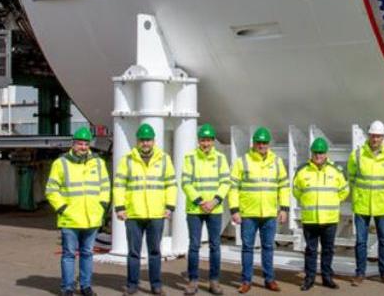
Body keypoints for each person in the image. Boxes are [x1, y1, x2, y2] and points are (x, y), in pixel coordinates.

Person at [46, 126, 111, 296]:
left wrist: (102, 206)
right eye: (80, 143)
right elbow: (51, 189)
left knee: (87, 254)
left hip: (92, 217)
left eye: (86, 144)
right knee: (68, 254)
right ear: (73, 144)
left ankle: (85, 286)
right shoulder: (60, 163)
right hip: (70, 218)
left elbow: (105, 186)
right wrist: (62, 208)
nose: (83, 147)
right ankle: (67, 288)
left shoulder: (98, 163)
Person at [113, 123, 176, 295]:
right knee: (133, 253)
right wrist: (119, 207)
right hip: (133, 214)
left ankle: (156, 285)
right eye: (142, 140)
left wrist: (170, 206)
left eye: (148, 140)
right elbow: (119, 186)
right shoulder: (127, 160)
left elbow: (171, 185)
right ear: (137, 141)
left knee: (155, 251)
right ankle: (132, 285)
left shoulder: (164, 159)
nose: (145, 143)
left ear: (154, 141)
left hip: (156, 214)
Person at [229, 127, 290, 293]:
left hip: (269, 213)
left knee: (268, 247)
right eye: (259, 142)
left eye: (264, 142)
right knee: (247, 248)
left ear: (268, 144)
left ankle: (269, 280)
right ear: (253, 143)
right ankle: (246, 281)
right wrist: (234, 210)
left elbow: (284, 186)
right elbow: (233, 187)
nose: (261, 145)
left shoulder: (276, 162)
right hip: (248, 213)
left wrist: (284, 208)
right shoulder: (243, 161)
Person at [292, 137, 350, 290]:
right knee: (310, 250)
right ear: (312, 153)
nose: (318, 155)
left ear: (326, 154)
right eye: (316, 152)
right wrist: (307, 201)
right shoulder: (302, 171)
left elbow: (345, 190)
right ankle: (309, 278)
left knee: (328, 249)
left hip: (329, 219)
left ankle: (327, 277)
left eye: (321, 152)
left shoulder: (335, 171)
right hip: (310, 219)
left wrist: (334, 200)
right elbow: (296, 191)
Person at [182, 123, 231, 295]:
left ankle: (214, 281)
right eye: (203, 140)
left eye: (209, 140)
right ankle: (193, 281)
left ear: (213, 142)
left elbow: (226, 182)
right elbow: (186, 183)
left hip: (214, 209)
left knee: (215, 246)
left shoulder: (220, 158)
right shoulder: (190, 158)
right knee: (194, 246)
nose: (206, 143)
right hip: (195, 209)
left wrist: (215, 201)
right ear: (199, 141)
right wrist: (201, 201)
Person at [347, 120, 384, 286]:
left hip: (381, 205)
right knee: (360, 241)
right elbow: (351, 177)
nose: (375, 139)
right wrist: (360, 194)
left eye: (378, 136)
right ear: (369, 135)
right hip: (362, 205)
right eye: (373, 136)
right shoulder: (358, 154)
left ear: (383, 137)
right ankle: (360, 273)